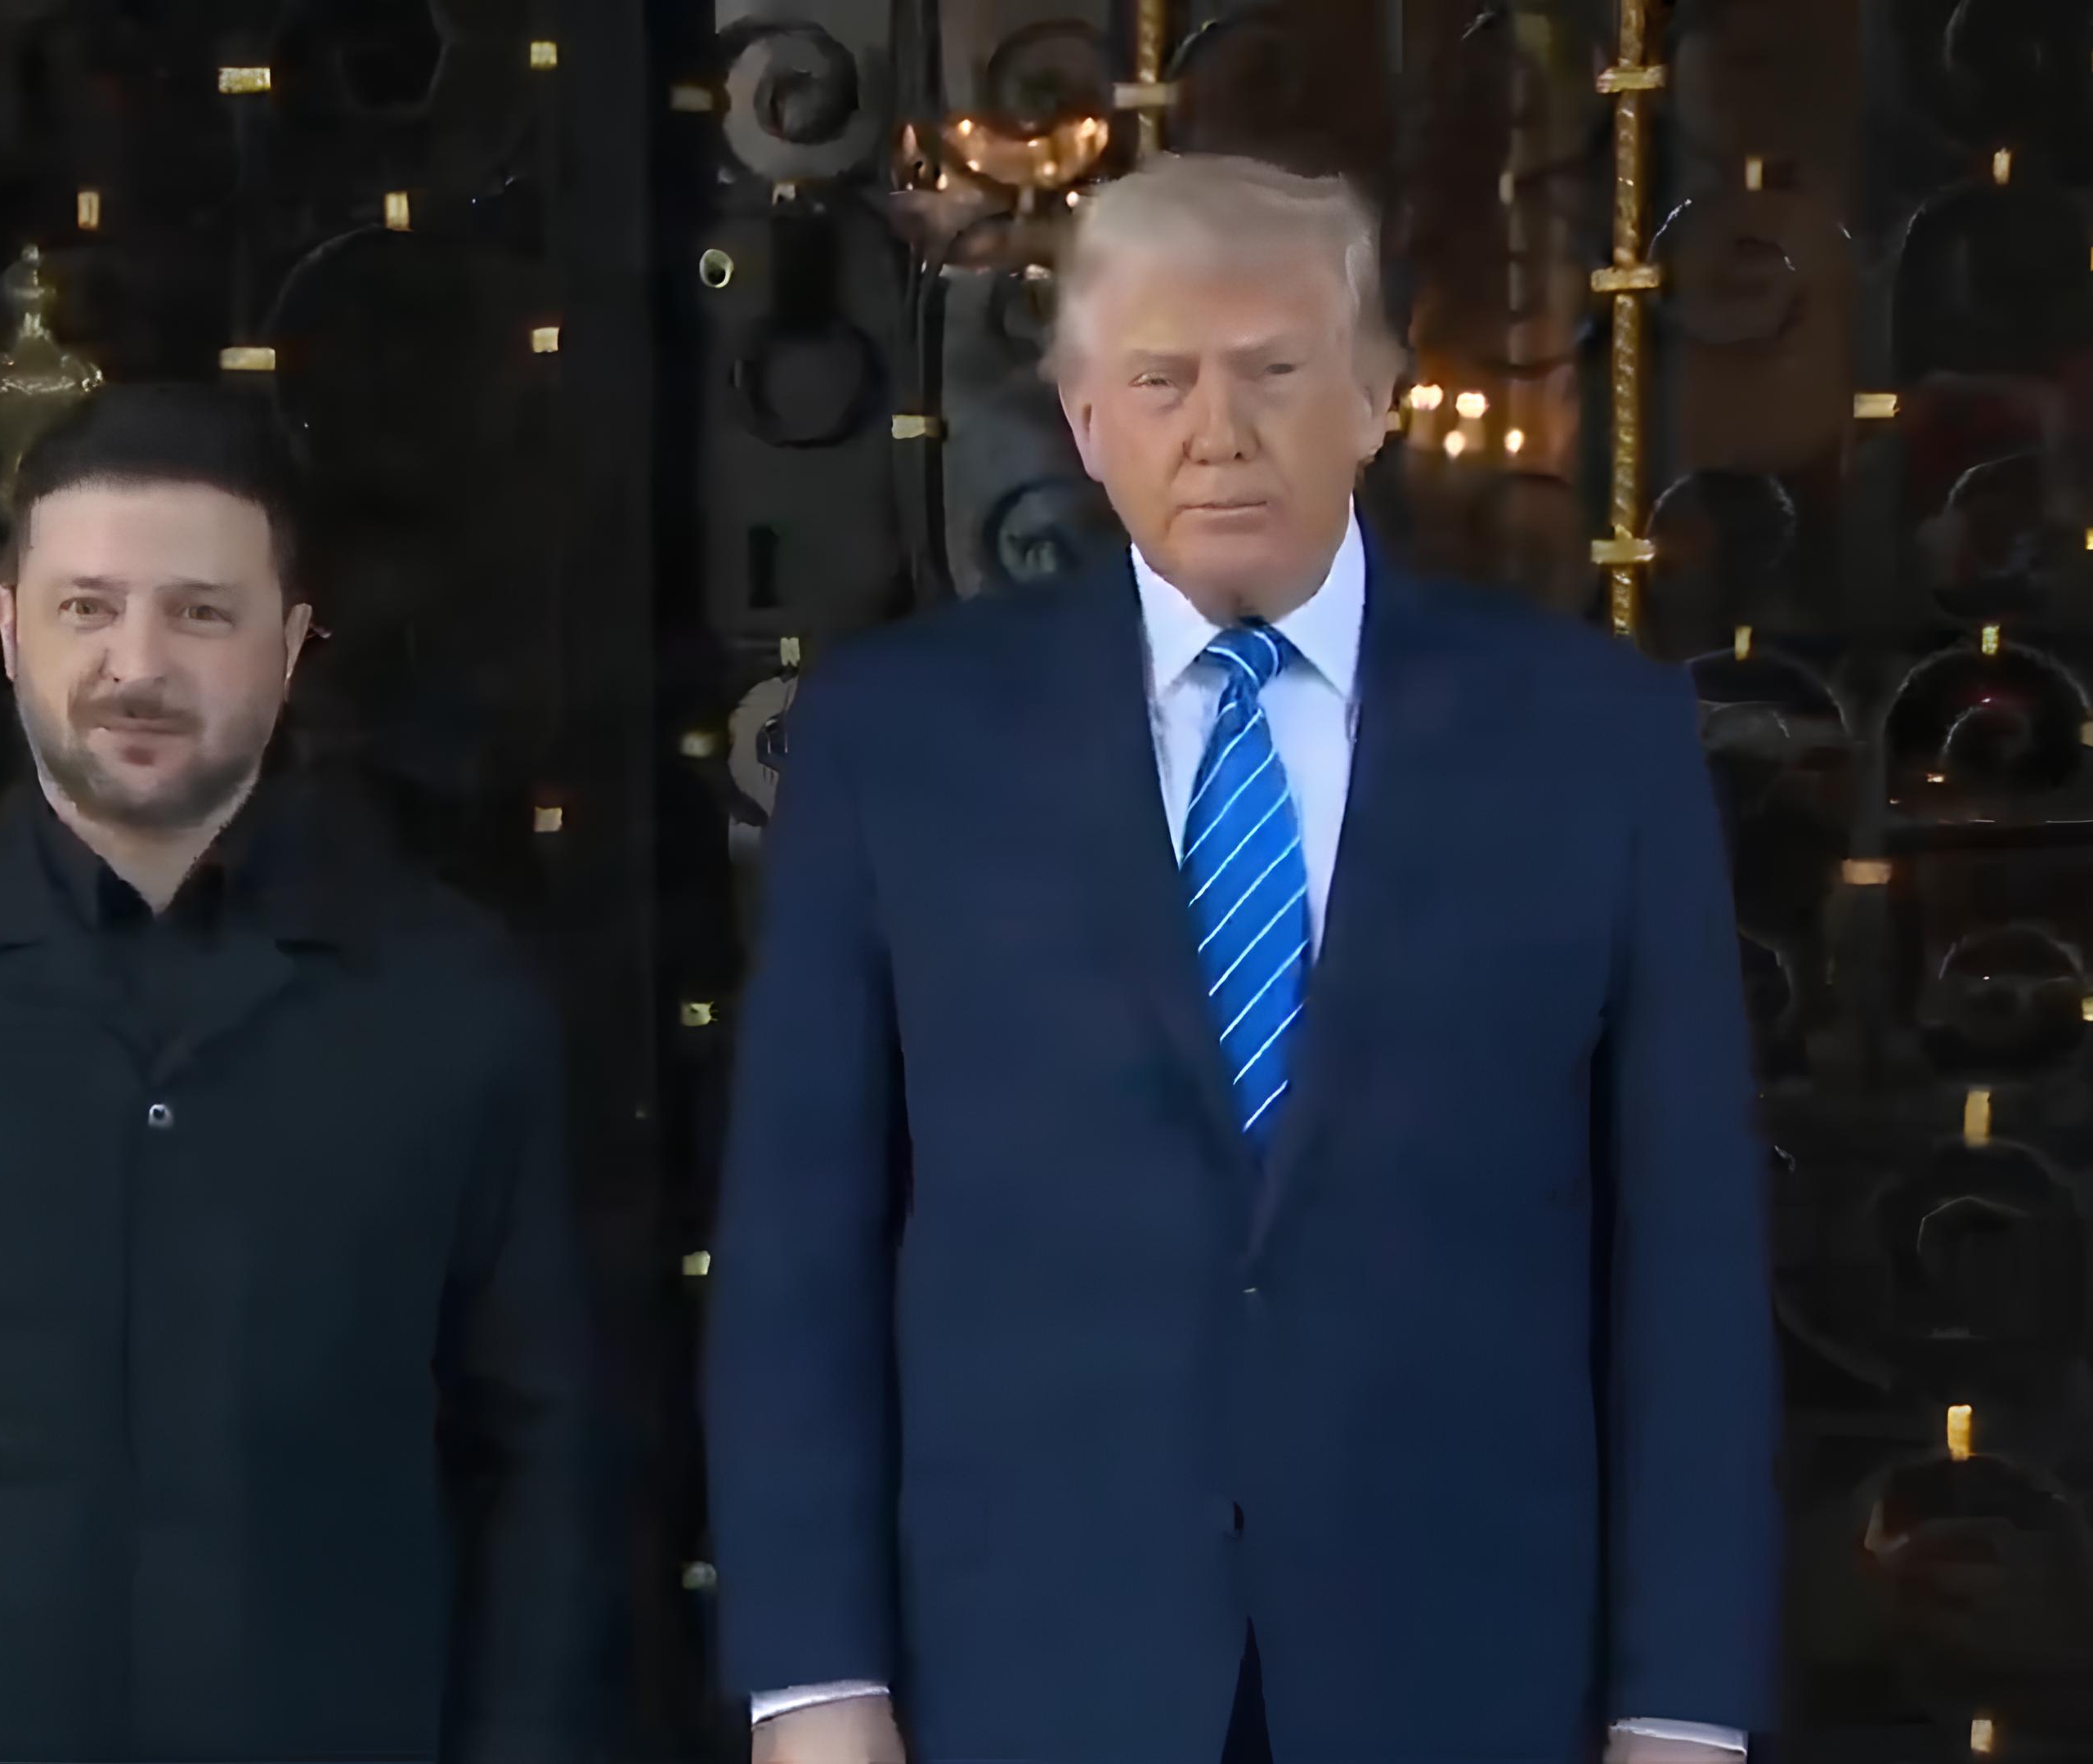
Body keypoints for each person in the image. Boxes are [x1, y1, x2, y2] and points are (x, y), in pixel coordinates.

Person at [706, 154, 1777, 1764]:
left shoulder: (1588, 736)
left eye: (1272, 370)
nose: (1217, 428)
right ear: (1083, 420)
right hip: (1029, 1674)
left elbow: (1683, 1250)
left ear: (1375, 396)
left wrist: (1680, 1703)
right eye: (1160, 380)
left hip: (1465, 1672)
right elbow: (804, 1243)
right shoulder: (900, 742)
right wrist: (813, 1681)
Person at [0, 383, 604, 1764]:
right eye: (87, 606)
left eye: (200, 612)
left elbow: (546, 1453)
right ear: (8, 626)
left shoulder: (457, 1007)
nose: (136, 664)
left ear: (291, 642)